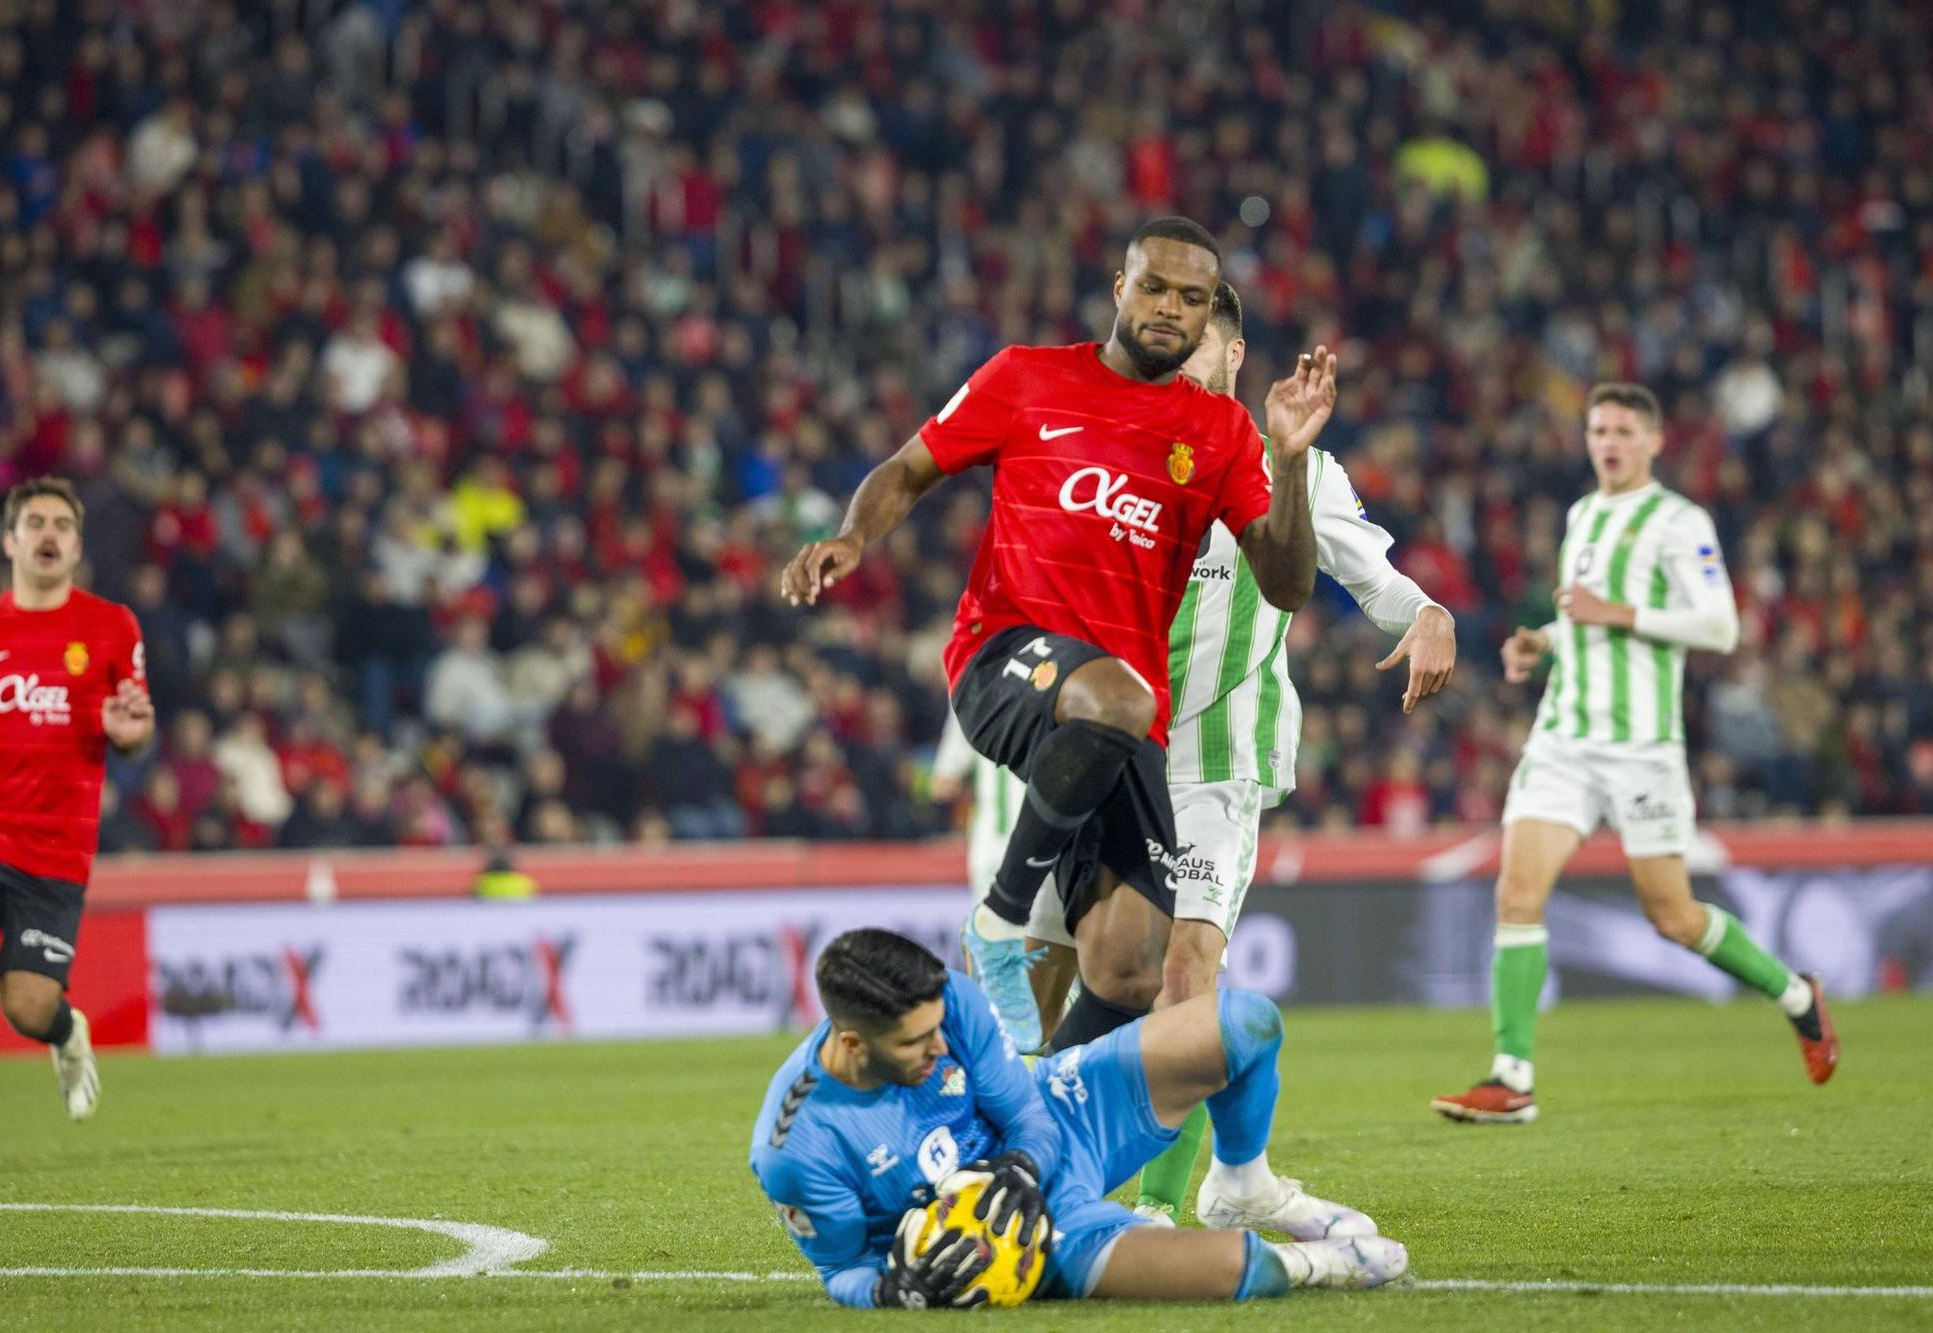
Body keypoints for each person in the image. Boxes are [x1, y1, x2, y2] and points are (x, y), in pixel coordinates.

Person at [781, 217, 1329, 1058]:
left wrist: (1288, 463)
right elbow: (909, 467)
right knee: (1116, 695)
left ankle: (1031, 1133)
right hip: (1007, 656)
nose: (1168, 310)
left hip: (1125, 716)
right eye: (1154, 287)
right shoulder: (1026, 378)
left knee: (1130, 969)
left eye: (1191, 299)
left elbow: (1288, 583)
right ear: (1120, 287)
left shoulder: (1217, 434)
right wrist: (854, 536)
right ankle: (999, 918)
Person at [1015, 282, 1459, 1222]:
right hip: (1106, 756)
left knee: (1185, 975)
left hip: (1215, 764)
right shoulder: (1113, 456)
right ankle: (1025, 1161)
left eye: (1199, 349)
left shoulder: (1288, 466)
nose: (1181, 366)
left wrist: (1426, 611)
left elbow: (1365, 574)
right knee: (1048, 969)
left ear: (1234, 356)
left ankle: (1160, 1209)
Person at [1431, 384, 1838, 1125]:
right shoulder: (1584, 514)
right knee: (1517, 893)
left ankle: (1797, 995)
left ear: (1653, 441)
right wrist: (1544, 642)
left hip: (1642, 749)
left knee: (1674, 916)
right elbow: (1579, 618)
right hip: (1564, 739)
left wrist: (1614, 612)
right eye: (1597, 430)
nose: (1608, 442)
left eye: (1623, 430)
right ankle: (1511, 1076)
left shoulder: (1679, 521)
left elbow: (1719, 625)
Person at [749, 929, 1405, 1308]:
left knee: (1244, 1022)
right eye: (917, 1041)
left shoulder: (946, 996)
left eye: (937, 1028)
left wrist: (1023, 1165)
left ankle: (1240, 1184)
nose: (941, 1046)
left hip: (1057, 1128)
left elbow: (1026, 1113)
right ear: (853, 1042)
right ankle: (1318, 1264)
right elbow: (843, 1271)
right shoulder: (796, 1148)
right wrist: (894, 1290)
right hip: (1020, 1233)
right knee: (1245, 1271)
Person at [0, 478, 155, 1171]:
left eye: (61, 524)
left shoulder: (112, 625)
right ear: (9, 540)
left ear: (76, 544)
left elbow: (135, 725)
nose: (48, 533)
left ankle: (66, 1033)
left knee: (25, 1008)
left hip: (56, 854)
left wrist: (130, 730)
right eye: (34, 521)